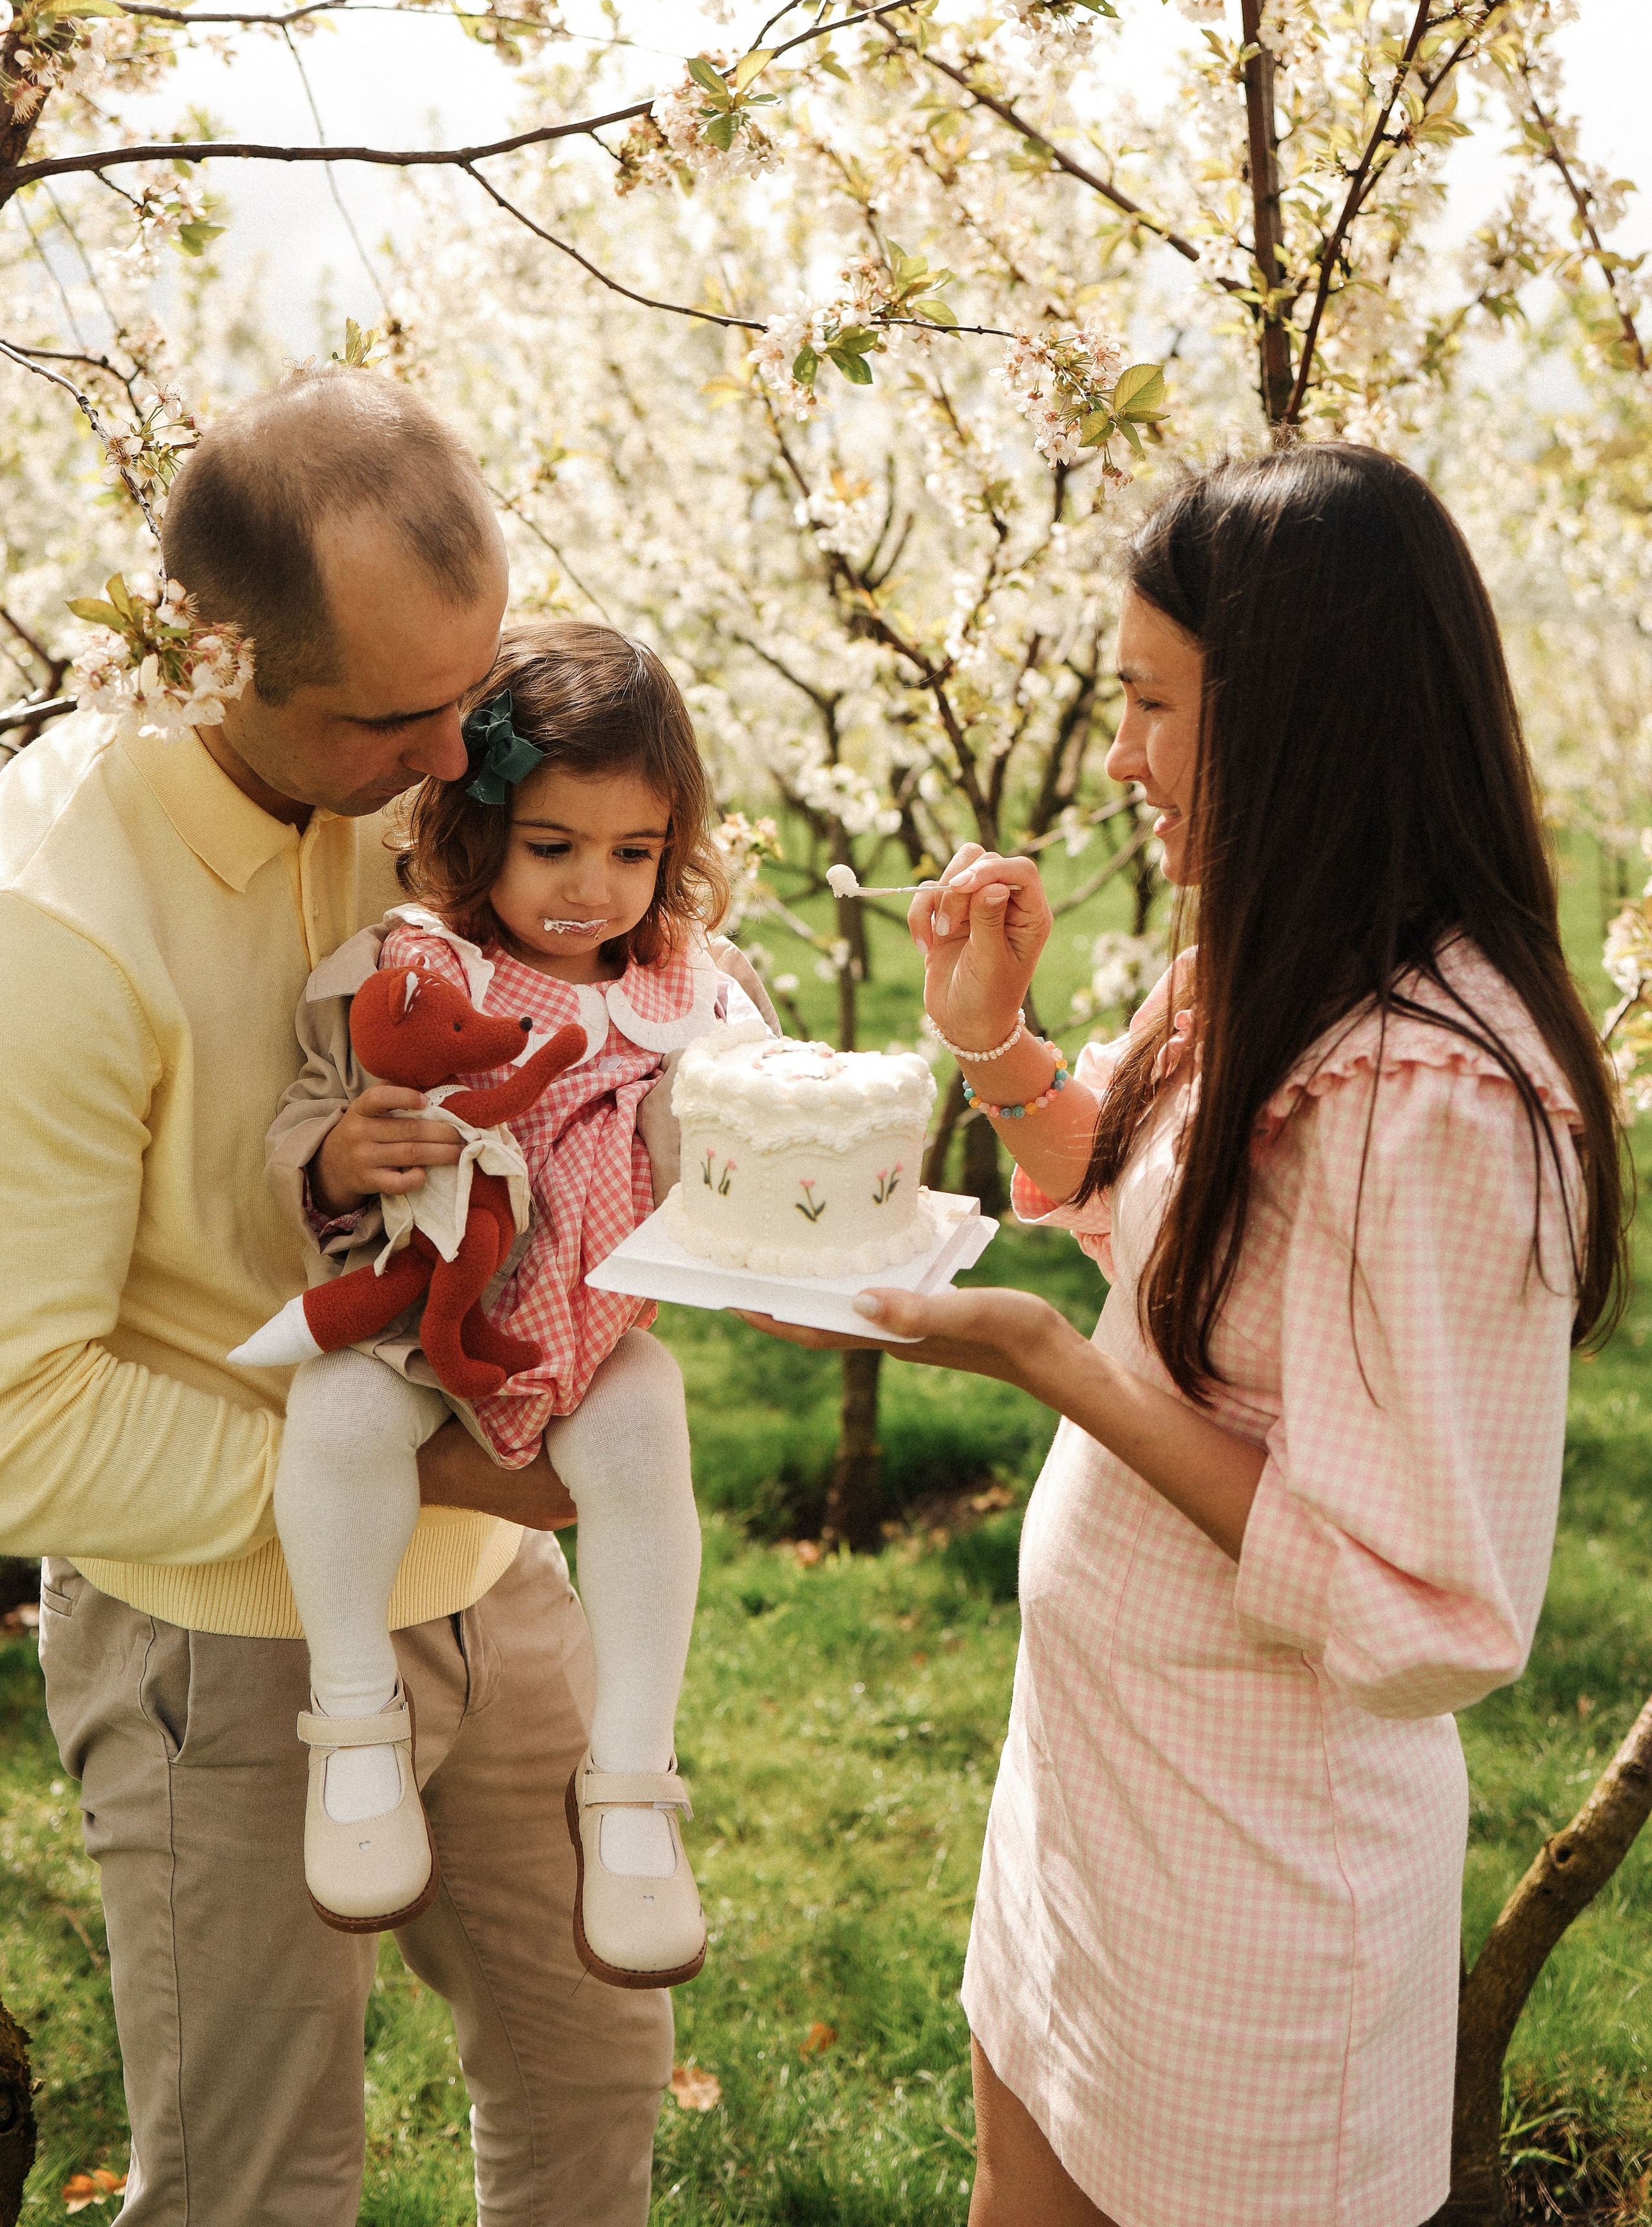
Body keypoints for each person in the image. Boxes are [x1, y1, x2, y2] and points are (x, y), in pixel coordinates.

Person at [741, 445, 1627, 2227]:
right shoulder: (1268, 956)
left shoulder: (1438, 1098)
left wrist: (1052, 1372)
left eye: (1152, 705)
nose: (1122, 755)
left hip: (1256, 1883)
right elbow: (1172, 1246)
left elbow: (1434, 1611)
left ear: (1297, 711)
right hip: (1089, 1796)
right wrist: (994, 1046)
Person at [0, 369, 676, 2226]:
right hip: (221, 1643)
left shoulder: (434, 787)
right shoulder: (55, 924)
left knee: (593, 2084)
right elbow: (17, 1415)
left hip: (492, 1594)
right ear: (219, 665)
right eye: (399, 718)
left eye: (474, 692)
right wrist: (442, 1478)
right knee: (257, 2186)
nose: (466, 761)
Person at [252, 620, 772, 1982]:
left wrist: (730, 1126)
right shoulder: (423, 970)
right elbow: (313, 1110)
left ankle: (633, 1779)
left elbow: (754, 1124)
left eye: (633, 852)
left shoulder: (688, 990)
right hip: (424, 1323)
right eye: (553, 846)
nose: (593, 887)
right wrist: (338, 1150)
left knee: (646, 1439)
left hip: (593, 1335)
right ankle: (355, 1723)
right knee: (338, 1416)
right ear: (475, 827)